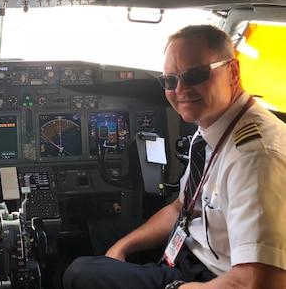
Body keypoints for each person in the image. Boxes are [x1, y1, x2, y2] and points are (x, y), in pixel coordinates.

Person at [63, 24, 286, 289]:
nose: (180, 89)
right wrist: (122, 247)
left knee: (78, 273)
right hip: (189, 249)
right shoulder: (209, 130)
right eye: (170, 80)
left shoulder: (256, 157)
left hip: (214, 276)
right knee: (104, 234)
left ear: (233, 71)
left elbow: (262, 283)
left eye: (195, 75)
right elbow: (180, 208)